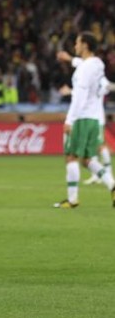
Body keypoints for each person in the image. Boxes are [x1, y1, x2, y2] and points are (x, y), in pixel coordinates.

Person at [54, 32, 115, 208]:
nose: (75, 46)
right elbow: (83, 64)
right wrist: (70, 59)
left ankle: (72, 199)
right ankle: (112, 185)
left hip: (81, 118)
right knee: (88, 159)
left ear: (85, 45)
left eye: (77, 43)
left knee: (71, 156)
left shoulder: (84, 69)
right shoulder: (97, 64)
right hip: (95, 119)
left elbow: (80, 95)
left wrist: (70, 120)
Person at [58, 57, 113, 186]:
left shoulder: (95, 74)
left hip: (93, 116)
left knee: (98, 147)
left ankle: (109, 176)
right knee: (89, 153)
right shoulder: (88, 69)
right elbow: (77, 62)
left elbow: (103, 87)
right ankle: (101, 177)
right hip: (92, 116)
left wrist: (72, 92)